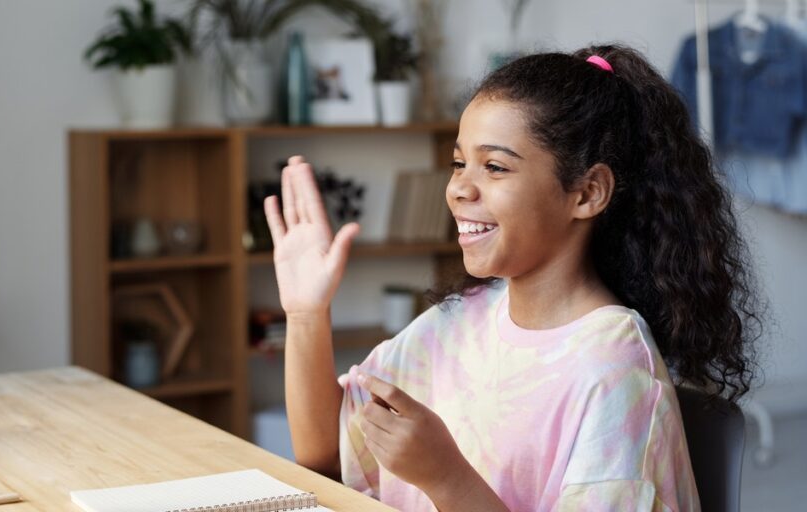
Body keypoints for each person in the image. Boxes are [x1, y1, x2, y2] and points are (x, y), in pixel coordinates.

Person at [264, 44, 761, 511]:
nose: (459, 187)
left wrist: (447, 479)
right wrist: (306, 313)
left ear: (587, 193)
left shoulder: (615, 375)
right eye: (459, 162)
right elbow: (325, 454)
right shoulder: (455, 325)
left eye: (495, 167)